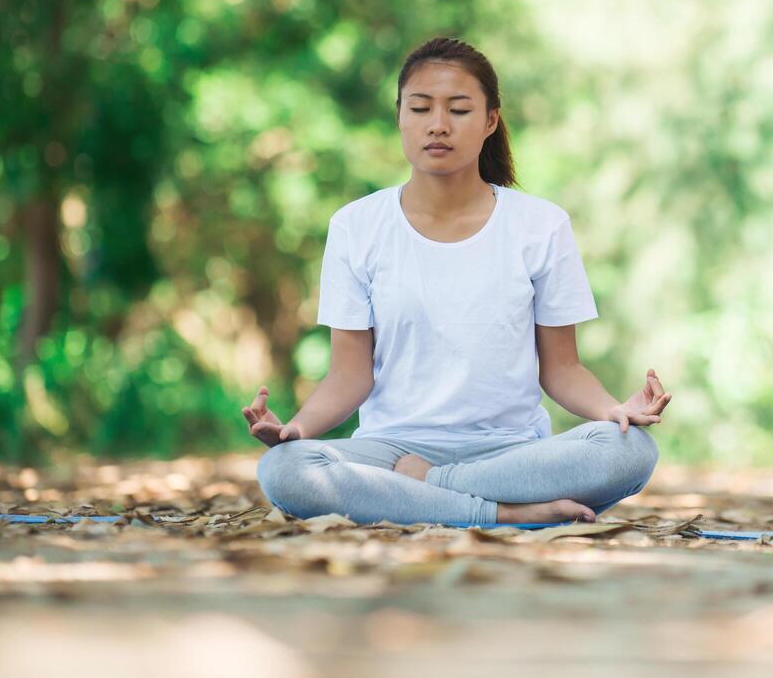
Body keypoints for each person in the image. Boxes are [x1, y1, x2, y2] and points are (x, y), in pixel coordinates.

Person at [248, 36, 671, 526]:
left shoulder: (540, 225)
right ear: (400, 116)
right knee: (285, 469)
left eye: (460, 110)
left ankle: (433, 490)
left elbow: (562, 369)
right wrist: (295, 430)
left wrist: (614, 409)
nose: (438, 125)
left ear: (490, 120)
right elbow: (349, 375)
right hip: (391, 451)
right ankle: (502, 512)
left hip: (511, 454)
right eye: (421, 107)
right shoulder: (356, 226)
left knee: (629, 451)